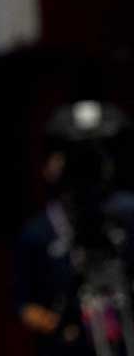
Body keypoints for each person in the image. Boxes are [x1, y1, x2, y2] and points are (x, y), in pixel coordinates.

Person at [16, 100, 134, 356]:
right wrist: (61, 328)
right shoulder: (39, 232)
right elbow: (25, 307)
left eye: (94, 156)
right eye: (75, 158)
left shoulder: (128, 215)